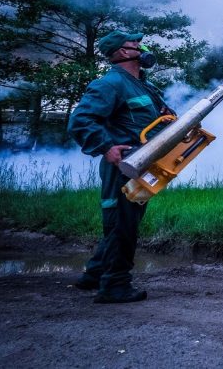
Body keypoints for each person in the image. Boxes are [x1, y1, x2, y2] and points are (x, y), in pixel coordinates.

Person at [68, 30, 171, 303]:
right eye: (137, 44)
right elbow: (81, 121)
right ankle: (114, 285)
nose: (143, 46)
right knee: (121, 224)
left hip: (143, 162)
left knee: (125, 221)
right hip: (122, 166)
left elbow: (157, 117)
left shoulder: (143, 85)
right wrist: (107, 147)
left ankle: (96, 273)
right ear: (124, 52)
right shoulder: (110, 84)